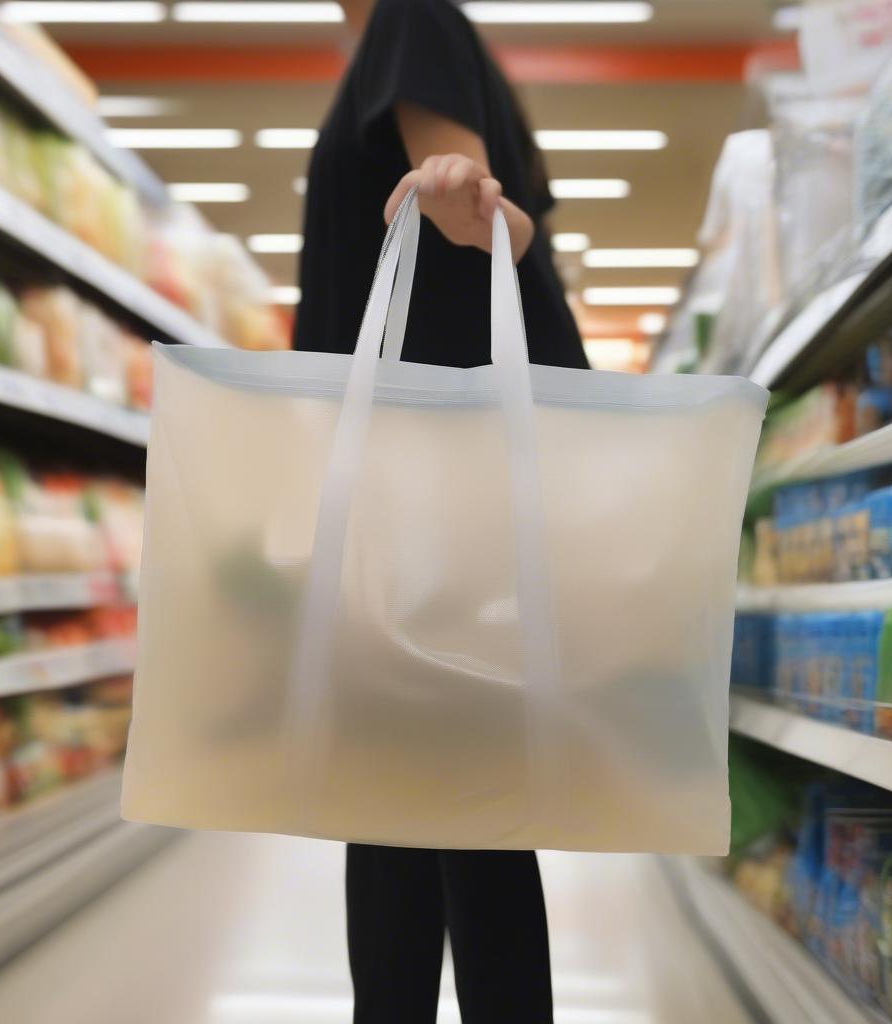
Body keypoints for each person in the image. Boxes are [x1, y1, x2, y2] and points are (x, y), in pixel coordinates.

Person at [293, 0, 587, 1020]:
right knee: (461, 811)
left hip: (415, 482)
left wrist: (457, 186)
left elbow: (464, 193)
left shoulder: (409, 15)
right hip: (450, 481)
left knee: (403, 809)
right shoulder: (435, 33)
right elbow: (508, 222)